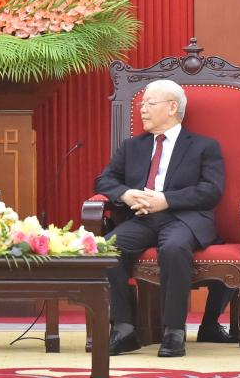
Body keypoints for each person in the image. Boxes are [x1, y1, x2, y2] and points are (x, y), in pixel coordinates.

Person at [94, 79, 225, 357]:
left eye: (149, 104)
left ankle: (174, 331)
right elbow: (104, 180)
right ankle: (125, 328)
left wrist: (166, 200)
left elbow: (211, 190)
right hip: (142, 219)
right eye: (142, 104)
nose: (142, 109)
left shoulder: (203, 146)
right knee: (106, 248)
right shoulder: (133, 146)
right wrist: (127, 194)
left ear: (172, 107)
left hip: (184, 219)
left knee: (174, 248)